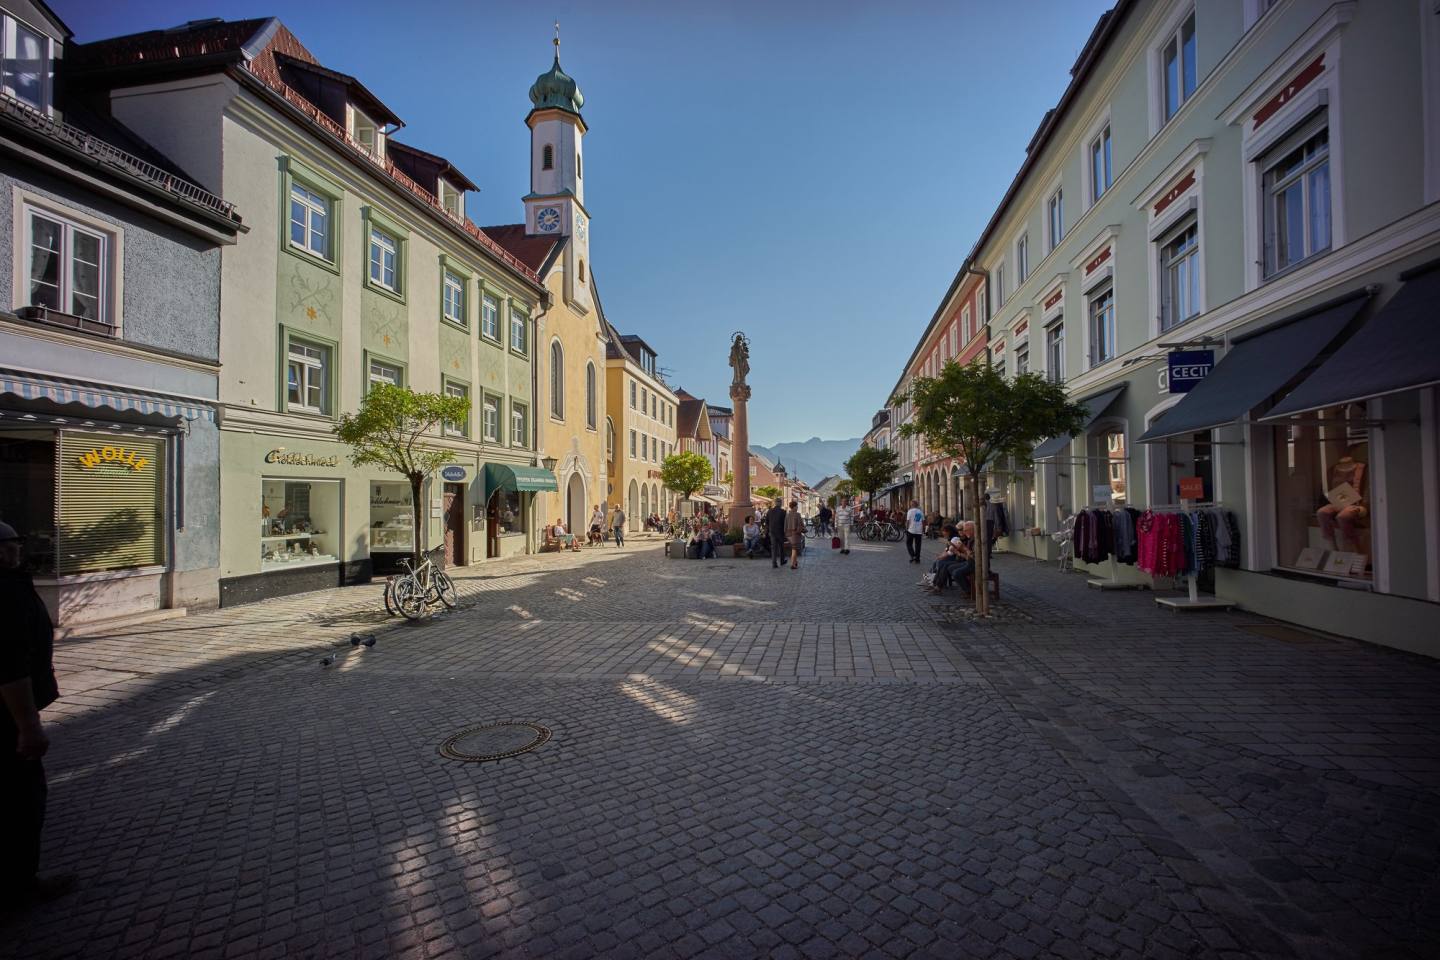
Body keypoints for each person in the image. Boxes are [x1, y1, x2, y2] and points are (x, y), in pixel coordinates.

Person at [1, 521, 71, 905]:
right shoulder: (7, 593)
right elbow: (10, 665)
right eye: (14, 543)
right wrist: (28, 725)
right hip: (9, 720)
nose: (19, 550)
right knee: (22, 802)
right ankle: (19, 885)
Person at [784, 499, 805, 570]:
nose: (797, 508)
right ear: (794, 507)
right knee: (794, 550)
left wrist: (786, 534)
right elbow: (800, 524)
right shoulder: (797, 514)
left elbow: (785, 525)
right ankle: (792, 564)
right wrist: (802, 529)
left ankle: (795, 562)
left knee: (794, 548)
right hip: (795, 534)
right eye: (796, 506)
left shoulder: (787, 515)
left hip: (788, 534)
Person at [767, 499, 788, 569]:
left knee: (774, 548)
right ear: (780, 503)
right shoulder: (783, 512)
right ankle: (782, 561)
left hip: (772, 531)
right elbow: (785, 523)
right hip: (780, 532)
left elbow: (767, 522)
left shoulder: (769, 511)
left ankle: (774, 563)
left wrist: (768, 530)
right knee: (781, 547)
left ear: (775, 503)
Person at [904, 500, 925, 564]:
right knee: (918, 545)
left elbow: (908, 521)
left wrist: (906, 528)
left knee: (908, 543)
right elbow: (923, 521)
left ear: (911, 505)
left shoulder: (910, 511)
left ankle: (912, 555)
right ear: (917, 505)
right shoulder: (920, 512)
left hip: (911, 530)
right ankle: (917, 558)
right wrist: (923, 529)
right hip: (919, 530)